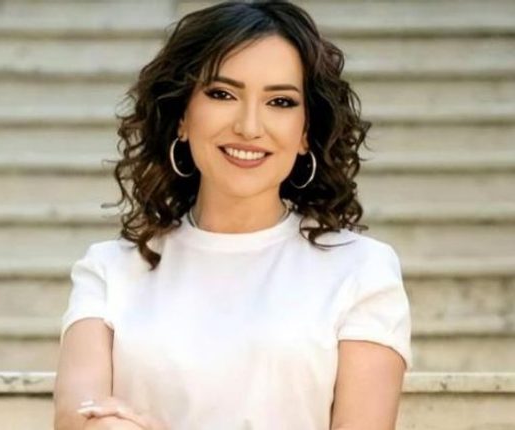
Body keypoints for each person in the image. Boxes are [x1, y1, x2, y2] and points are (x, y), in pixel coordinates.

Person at [53, 1, 413, 429]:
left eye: (280, 101)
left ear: (305, 132)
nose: (249, 126)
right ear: (182, 116)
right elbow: (81, 420)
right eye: (222, 94)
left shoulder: (361, 269)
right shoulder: (108, 270)